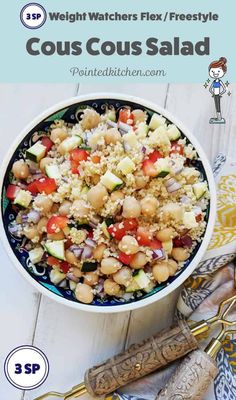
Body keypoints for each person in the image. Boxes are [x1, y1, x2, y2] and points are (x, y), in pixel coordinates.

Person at [208, 57, 227, 124]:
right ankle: (218, 118)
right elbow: (210, 89)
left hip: (218, 95)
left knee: (218, 106)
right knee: (216, 106)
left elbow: (224, 89)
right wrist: (213, 93)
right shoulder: (214, 82)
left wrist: (220, 94)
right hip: (215, 95)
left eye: (218, 71)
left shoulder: (219, 81)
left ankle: (219, 118)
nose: (215, 73)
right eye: (212, 71)